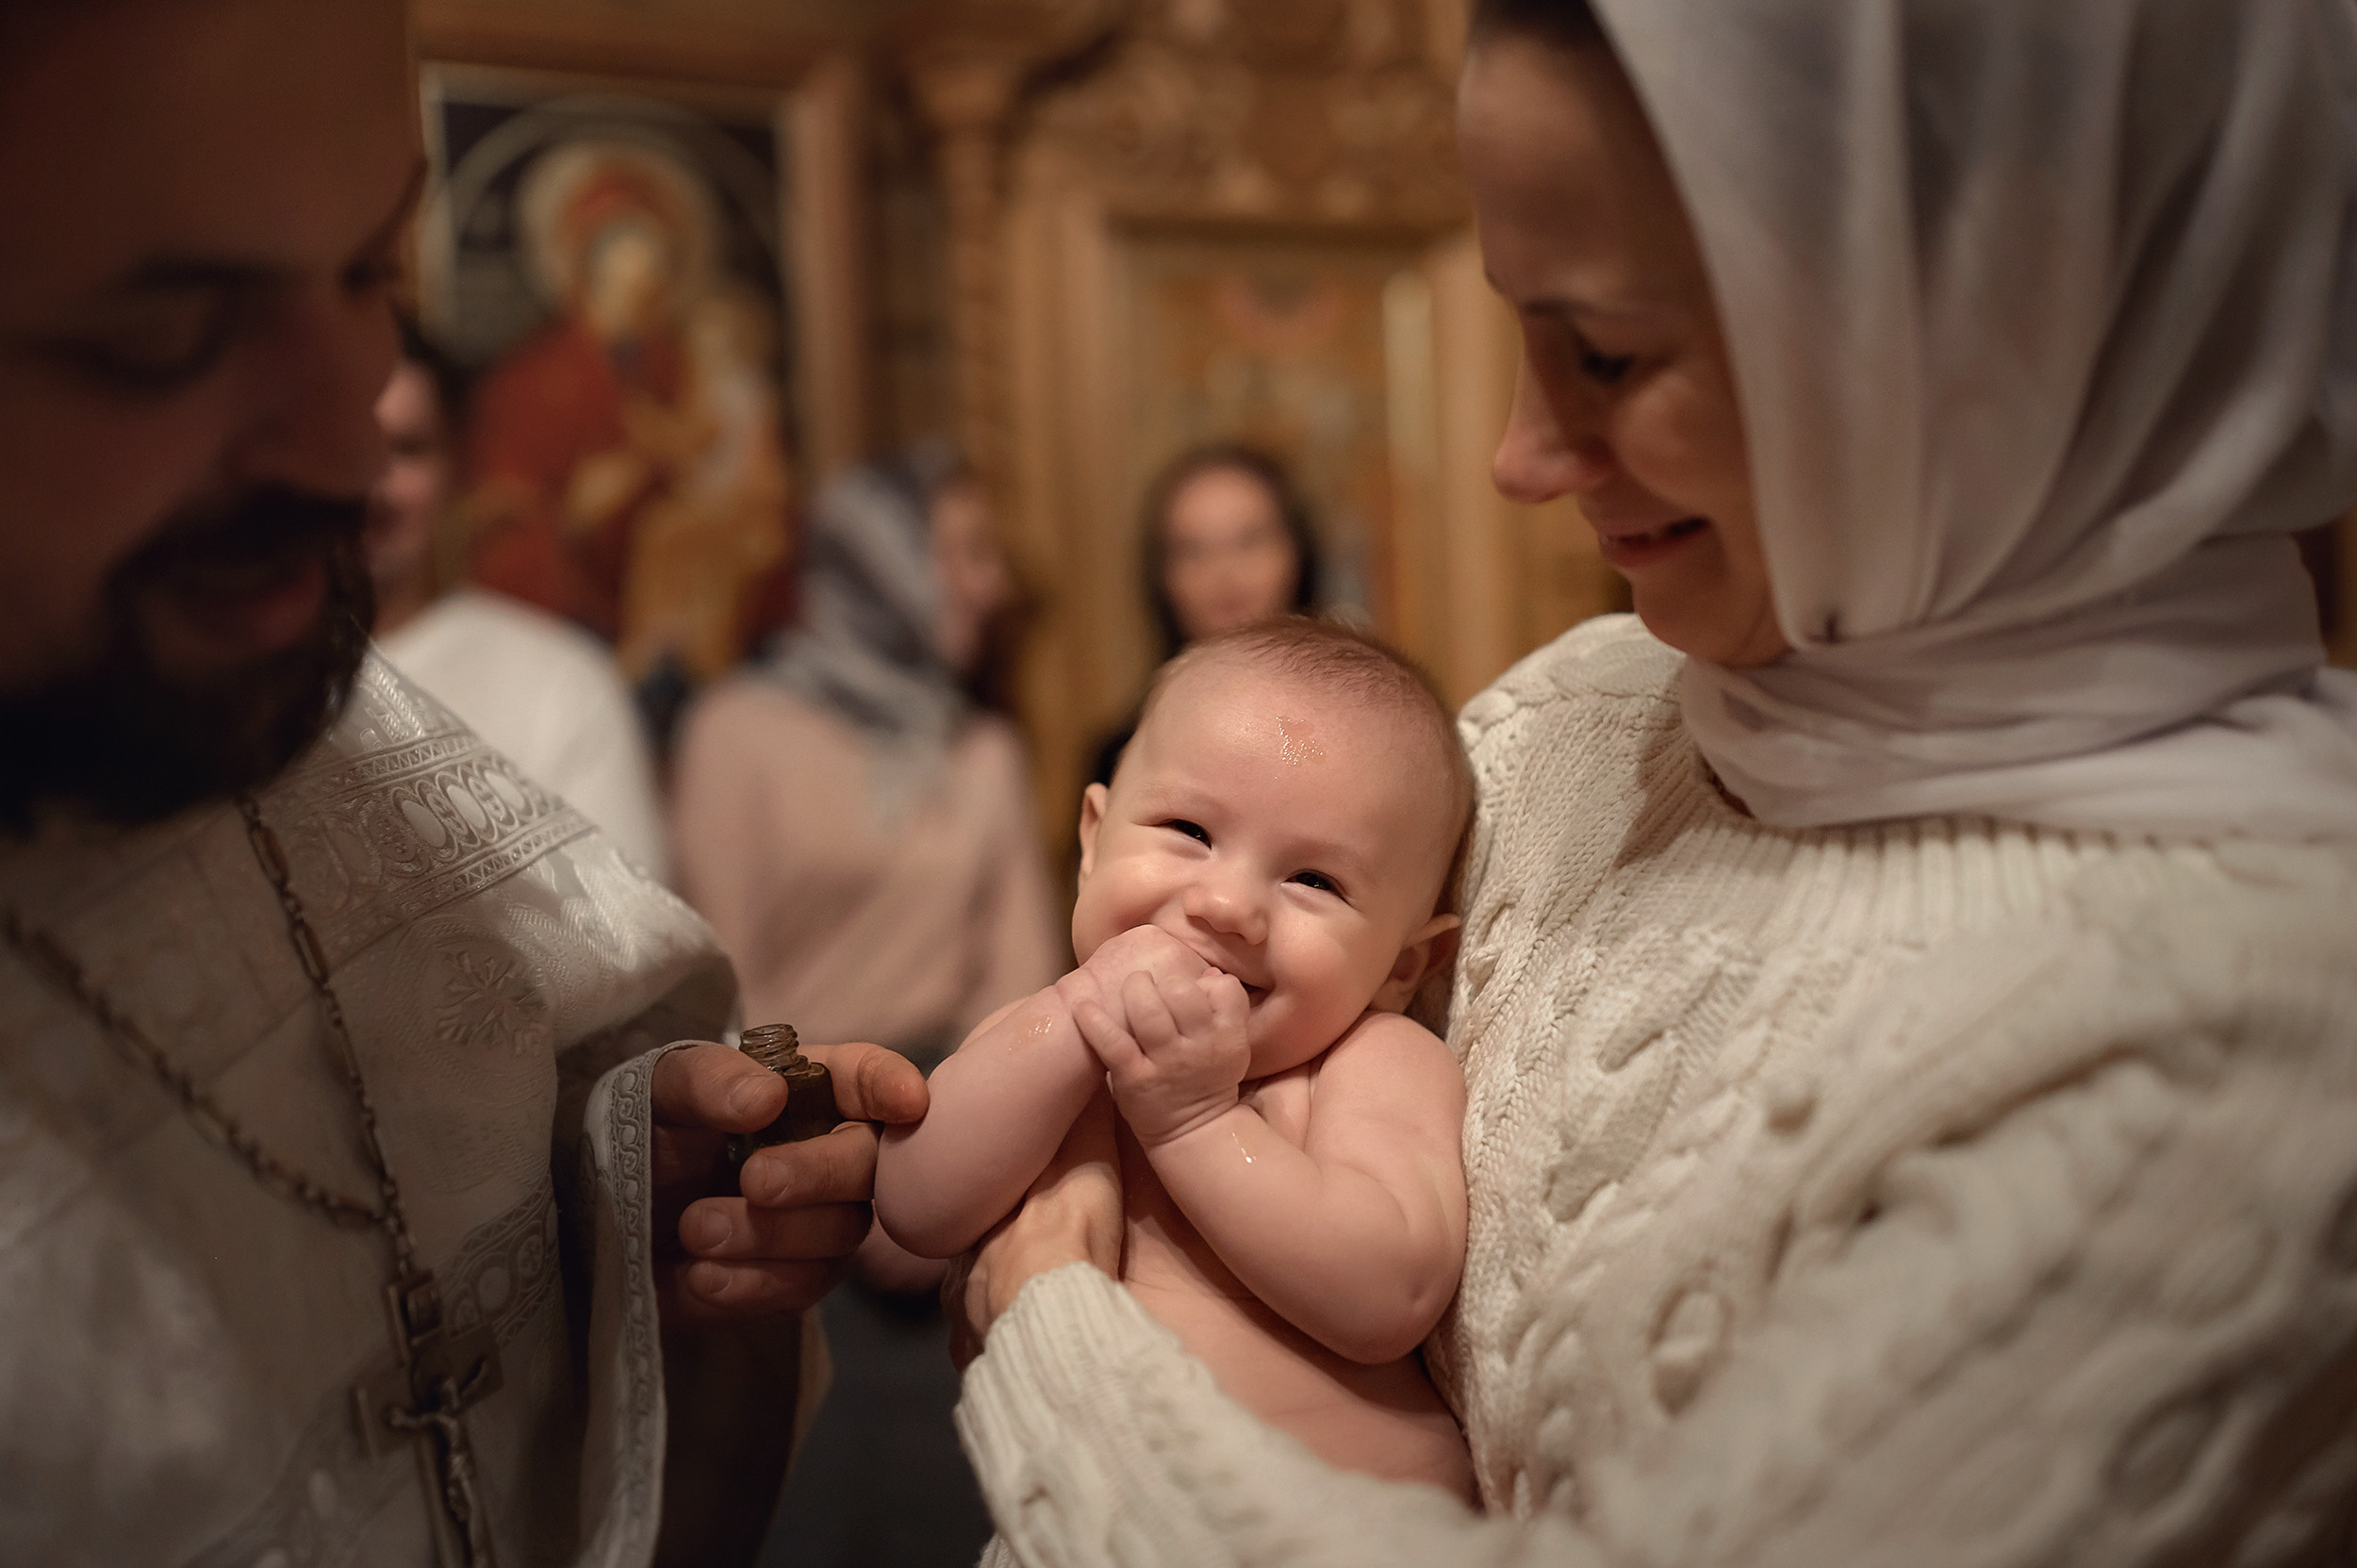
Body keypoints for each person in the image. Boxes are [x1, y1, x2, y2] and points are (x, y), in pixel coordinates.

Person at [944, 2, 2357, 1564]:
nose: (1518, 453)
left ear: (1987, 333)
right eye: (1522, 332)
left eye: (1606, 353)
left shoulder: (2257, 1045)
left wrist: (1055, 1331)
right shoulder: (1578, 716)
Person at [0, 5, 925, 1565]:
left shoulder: (324, 711)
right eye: (161, 336)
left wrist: (646, 1279)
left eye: (372, 271)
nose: (349, 442)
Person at [880, 619, 1476, 1501]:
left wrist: (1193, 1120)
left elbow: (1394, 1290)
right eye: (1190, 829)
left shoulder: (1370, 1060)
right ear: (1091, 840)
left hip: (1340, 1524)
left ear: (1401, 966)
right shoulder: (1047, 1041)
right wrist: (1076, 1016)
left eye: (1314, 880)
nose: (1228, 902)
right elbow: (913, 1200)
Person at [669, 447, 1062, 1566]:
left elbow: (1017, 984)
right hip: (778, 1168)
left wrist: (937, 1169)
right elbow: (720, 974)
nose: (990, 584)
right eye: (963, 553)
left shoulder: (980, 749)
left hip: (951, 1158)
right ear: (875, 560)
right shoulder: (734, 731)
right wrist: (838, 1150)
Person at [367, 319, 671, 879]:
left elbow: (636, 951)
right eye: (350, 447)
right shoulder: (227, 688)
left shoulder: (562, 686)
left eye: (406, 450)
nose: (373, 485)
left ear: (454, 468)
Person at [1088, 442, 1323, 788]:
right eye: (1192, 551)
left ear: (1298, 555)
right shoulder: (1126, 751)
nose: (1223, 572)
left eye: (1249, 541)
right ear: (1161, 577)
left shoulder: (1357, 727)